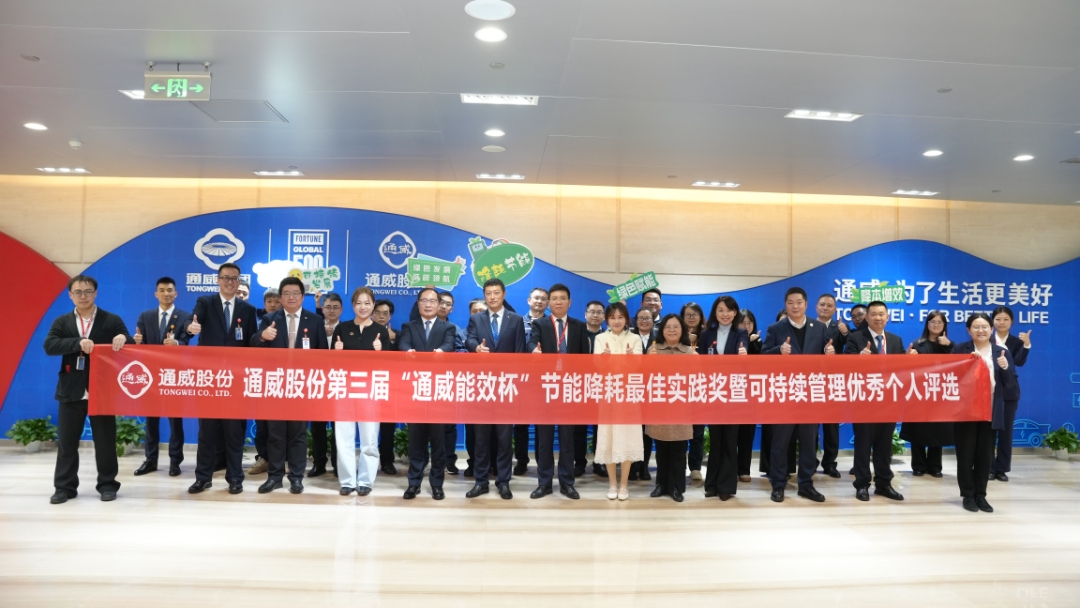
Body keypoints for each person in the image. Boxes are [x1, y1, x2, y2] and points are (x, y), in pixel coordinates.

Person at [44, 275, 132, 504]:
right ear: (70, 295)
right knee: (67, 443)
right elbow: (49, 346)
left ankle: (107, 485)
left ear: (96, 293)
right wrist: (77, 342)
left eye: (88, 291)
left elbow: (130, 343)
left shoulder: (111, 320)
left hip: (102, 390)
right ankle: (64, 488)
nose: (83, 296)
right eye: (78, 292)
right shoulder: (62, 321)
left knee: (105, 442)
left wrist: (123, 337)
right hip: (71, 390)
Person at [185, 262, 259, 495]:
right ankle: (203, 477)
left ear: (239, 282)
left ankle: (235, 478)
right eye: (225, 277)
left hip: (236, 380)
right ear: (218, 280)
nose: (230, 282)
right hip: (210, 379)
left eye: (234, 278)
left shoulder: (248, 310)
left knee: (234, 432)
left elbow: (251, 342)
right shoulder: (205, 302)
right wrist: (190, 327)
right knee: (207, 432)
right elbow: (193, 320)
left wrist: (262, 338)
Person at [250, 277, 328, 494]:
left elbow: (322, 354)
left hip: (301, 386)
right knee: (275, 434)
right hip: (276, 384)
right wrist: (262, 336)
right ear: (281, 297)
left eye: (295, 293)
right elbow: (253, 345)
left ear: (302, 296)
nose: (291, 297)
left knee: (298, 434)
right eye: (286, 293)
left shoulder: (315, 321)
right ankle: (275, 477)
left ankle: (296, 477)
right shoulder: (269, 319)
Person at [762, 286, 837, 503]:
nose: (795, 306)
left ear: (806, 304)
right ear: (785, 305)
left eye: (799, 302)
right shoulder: (776, 328)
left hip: (810, 394)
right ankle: (778, 484)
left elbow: (825, 355)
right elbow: (763, 357)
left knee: (808, 442)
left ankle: (806, 484)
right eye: (790, 303)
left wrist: (829, 353)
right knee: (780, 443)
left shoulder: (818, 327)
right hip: (785, 394)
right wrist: (778, 351)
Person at [464, 278, 527, 500]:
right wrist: (475, 347)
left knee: (503, 438)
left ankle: (503, 482)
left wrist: (517, 385)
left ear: (504, 294)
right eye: (488, 293)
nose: (492, 297)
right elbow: (469, 340)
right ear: (485, 295)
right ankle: (480, 481)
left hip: (506, 387)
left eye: (496, 293)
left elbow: (520, 353)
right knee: (481, 438)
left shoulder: (516, 319)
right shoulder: (476, 318)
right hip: (483, 386)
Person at [527, 283, 590, 500]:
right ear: (548, 302)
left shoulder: (579, 326)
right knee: (544, 439)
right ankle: (544, 483)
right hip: (546, 387)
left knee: (567, 439)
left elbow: (585, 360)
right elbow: (531, 343)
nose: (558, 302)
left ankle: (567, 482)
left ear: (569, 302)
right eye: (554, 298)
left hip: (569, 388)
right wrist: (533, 350)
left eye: (562, 298)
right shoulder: (540, 324)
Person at [952, 313, 1016, 513]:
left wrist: (1005, 368)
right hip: (966, 411)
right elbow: (950, 378)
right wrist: (966, 365)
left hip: (990, 410)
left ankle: (981, 495)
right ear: (968, 330)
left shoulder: (1001, 352)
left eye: (985, 327)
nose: (981, 331)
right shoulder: (960, 349)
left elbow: (1010, 384)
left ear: (991, 329)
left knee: (985, 456)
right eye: (976, 327)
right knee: (965, 454)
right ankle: (967, 495)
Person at [843, 301, 905, 502]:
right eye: (874, 314)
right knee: (863, 444)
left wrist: (911, 359)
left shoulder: (895, 340)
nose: (878, 318)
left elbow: (903, 369)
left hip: (888, 401)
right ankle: (862, 484)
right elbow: (845, 366)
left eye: (881, 314)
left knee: (884, 445)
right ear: (867, 318)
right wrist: (858, 358)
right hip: (865, 400)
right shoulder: (855, 338)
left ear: (888, 317)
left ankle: (884, 484)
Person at [331, 287, 390, 497]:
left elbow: (388, 365)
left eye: (367, 303)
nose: (363, 307)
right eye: (358, 303)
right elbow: (331, 362)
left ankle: (366, 480)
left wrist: (381, 352)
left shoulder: (381, 331)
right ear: (353, 305)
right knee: (343, 438)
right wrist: (336, 352)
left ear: (373, 305)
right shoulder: (342, 328)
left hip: (370, 390)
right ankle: (347, 481)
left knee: (369, 438)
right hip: (345, 389)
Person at [399, 288, 456, 500]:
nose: (429, 304)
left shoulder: (447, 327)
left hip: (438, 392)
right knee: (416, 442)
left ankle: (437, 484)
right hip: (416, 391)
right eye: (424, 300)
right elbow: (403, 343)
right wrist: (407, 352)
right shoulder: (409, 326)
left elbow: (449, 345)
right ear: (418, 303)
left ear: (439, 304)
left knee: (438, 443)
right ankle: (413, 483)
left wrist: (443, 351)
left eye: (433, 301)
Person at [133, 276, 191, 477]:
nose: (166, 293)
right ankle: (150, 460)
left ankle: (175, 461)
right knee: (151, 420)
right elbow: (141, 343)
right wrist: (137, 342)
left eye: (170, 290)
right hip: (151, 375)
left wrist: (177, 344)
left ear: (176, 293)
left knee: (175, 421)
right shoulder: (145, 316)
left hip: (174, 374)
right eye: (162, 290)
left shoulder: (185, 316)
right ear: (156, 294)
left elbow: (186, 339)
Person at [697, 296, 749, 501]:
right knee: (716, 439)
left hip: (733, 393)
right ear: (715, 313)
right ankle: (711, 485)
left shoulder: (741, 333)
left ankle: (726, 486)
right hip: (713, 392)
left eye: (729, 310)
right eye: (720, 310)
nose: (725, 314)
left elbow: (743, 350)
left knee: (730, 440)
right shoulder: (706, 334)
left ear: (735, 313)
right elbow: (701, 362)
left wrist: (743, 354)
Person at [592, 302, 644, 500]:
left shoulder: (635, 338)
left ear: (626, 319)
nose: (616, 321)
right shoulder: (600, 338)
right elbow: (597, 366)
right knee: (609, 438)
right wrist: (604, 359)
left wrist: (630, 359)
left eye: (620, 317)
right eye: (612, 317)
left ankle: (624, 485)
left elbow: (638, 367)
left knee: (627, 438)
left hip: (629, 395)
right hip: (608, 394)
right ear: (607, 319)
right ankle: (612, 484)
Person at [647, 314, 696, 502]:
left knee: (678, 450)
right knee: (661, 449)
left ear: (682, 330)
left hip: (681, 408)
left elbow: (695, 380)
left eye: (676, 326)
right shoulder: (653, 350)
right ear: (662, 330)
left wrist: (697, 363)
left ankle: (676, 487)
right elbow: (643, 378)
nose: (672, 330)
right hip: (659, 407)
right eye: (668, 327)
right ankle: (661, 484)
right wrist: (648, 361)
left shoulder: (689, 352)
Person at [901, 311, 954, 478]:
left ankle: (935, 466)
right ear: (927, 324)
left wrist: (949, 346)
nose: (936, 325)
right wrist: (908, 357)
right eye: (933, 322)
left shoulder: (950, 346)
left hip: (940, 394)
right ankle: (918, 465)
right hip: (920, 393)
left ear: (944, 325)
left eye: (939, 322)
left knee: (937, 430)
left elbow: (957, 365)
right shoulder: (918, 344)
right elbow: (907, 369)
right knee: (918, 430)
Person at [989, 306, 1032, 482]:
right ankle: (989, 467)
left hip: (1009, 391)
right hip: (989, 391)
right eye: (998, 319)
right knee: (989, 432)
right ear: (992, 321)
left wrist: (1026, 344)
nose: (1001, 322)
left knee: (1006, 432)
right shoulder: (985, 339)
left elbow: (1019, 362)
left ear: (1012, 322)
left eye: (1005, 319)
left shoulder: (1016, 341)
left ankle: (1001, 469)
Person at [247, 286, 283, 476]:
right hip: (260, 378)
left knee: (281, 424)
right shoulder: (257, 322)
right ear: (264, 303)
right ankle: (263, 458)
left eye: (277, 301)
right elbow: (251, 342)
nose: (273, 305)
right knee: (262, 423)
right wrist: (262, 335)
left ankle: (281, 460)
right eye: (270, 301)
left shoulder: (287, 322)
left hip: (283, 380)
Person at [514, 287, 549, 476]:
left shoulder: (551, 323)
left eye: (543, 299)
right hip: (522, 379)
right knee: (521, 424)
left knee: (543, 424)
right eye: (536, 298)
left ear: (547, 303)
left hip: (545, 380)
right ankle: (521, 461)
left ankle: (542, 462)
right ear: (529, 300)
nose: (539, 301)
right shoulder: (517, 322)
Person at [309, 292, 343, 478]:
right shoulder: (314, 327)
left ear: (341, 310)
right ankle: (319, 463)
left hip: (339, 384)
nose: (331, 311)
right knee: (317, 427)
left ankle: (338, 465)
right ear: (322, 309)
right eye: (328, 307)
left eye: (335, 307)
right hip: (318, 383)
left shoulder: (346, 329)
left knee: (339, 428)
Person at [815, 293, 849, 479]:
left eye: (829, 305)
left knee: (832, 426)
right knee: (811, 426)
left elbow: (849, 348)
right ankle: (810, 462)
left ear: (835, 309)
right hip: (812, 381)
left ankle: (830, 463)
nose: (825, 308)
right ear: (816, 307)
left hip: (833, 381)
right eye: (822, 304)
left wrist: (845, 333)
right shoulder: (808, 325)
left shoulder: (841, 327)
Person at [436, 290, 468, 475]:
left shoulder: (455, 329)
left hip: (448, 381)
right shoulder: (420, 325)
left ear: (452, 309)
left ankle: (449, 461)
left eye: (447, 304)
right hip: (424, 382)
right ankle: (424, 461)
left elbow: (462, 351)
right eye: (441, 302)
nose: (443, 306)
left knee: (449, 425)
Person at [372, 299, 400, 475]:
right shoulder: (365, 332)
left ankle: (387, 460)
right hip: (368, 385)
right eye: (378, 313)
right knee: (369, 427)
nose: (381, 316)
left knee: (388, 427)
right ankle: (369, 462)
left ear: (390, 316)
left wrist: (394, 339)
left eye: (385, 313)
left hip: (391, 386)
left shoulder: (398, 335)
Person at [630, 307, 657, 481]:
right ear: (636, 320)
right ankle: (633, 466)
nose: (644, 321)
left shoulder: (659, 339)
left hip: (652, 390)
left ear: (653, 321)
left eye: (647, 318)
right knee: (633, 430)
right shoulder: (629, 337)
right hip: (632, 388)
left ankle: (644, 466)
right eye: (641, 318)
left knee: (647, 431)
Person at [681, 302, 707, 482]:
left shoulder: (707, 336)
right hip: (680, 389)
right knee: (680, 430)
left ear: (700, 317)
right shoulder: (676, 335)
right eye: (688, 314)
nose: (691, 317)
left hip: (700, 388)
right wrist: (686, 341)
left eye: (695, 314)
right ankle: (679, 466)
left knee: (697, 432)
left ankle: (695, 467)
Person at [582, 300, 608, 477]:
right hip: (580, 385)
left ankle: (600, 463)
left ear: (604, 317)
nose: (595, 315)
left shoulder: (608, 337)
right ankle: (579, 462)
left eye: (599, 312)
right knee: (579, 427)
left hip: (602, 386)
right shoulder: (577, 334)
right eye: (592, 312)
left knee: (601, 427)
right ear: (585, 314)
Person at [737, 309, 761, 482]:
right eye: (742, 323)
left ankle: (744, 470)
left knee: (747, 434)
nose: (746, 326)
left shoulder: (758, 342)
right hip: (732, 393)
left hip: (751, 395)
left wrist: (754, 344)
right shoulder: (732, 340)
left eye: (749, 323)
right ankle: (731, 469)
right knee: (731, 435)